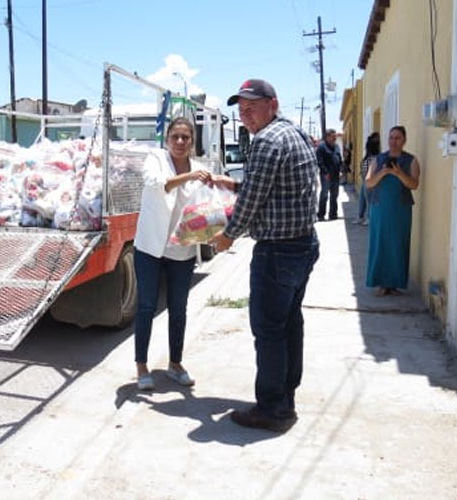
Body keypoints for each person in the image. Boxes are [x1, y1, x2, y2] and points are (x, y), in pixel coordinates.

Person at [210, 79, 320, 433]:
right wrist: (235, 184)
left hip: (277, 251)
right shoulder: (293, 133)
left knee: (269, 330)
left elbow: (253, 201)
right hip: (303, 245)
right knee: (289, 324)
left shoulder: (267, 140)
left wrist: (227, 235)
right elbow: (277, 185)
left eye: (252, 108)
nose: (245, 116)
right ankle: (286, 394)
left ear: (273, 104)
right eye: (241, 110)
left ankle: (273, 410)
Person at [133, 117, 212, 391]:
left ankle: (175, 364)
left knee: (179, 309)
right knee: (146, 306)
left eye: (185, 138)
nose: (180, 142)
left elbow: (208, 206)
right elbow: (156, 184)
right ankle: (142, 367)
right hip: (150, 248)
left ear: (192, 142)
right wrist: (188, 177)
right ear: (167, 139)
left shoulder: (201, 169)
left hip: (182, 250)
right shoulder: (155, 158)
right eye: (175, 137)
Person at [365, 125, 421, 296]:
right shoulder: (378, 159)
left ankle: (395, 284)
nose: (393, 141)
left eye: (397, 138)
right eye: (391, 138)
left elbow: (414, 185)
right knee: (380, 244)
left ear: (404, 140)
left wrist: (398, 173)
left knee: (398, 245)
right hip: (380, 208)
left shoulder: (411, 160)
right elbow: (369, 183)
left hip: (400, 209)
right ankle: (381, 283)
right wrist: (383, 172)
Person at [315, 128, 343, 220]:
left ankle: (333, 214)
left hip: (336, 175)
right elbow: (319, 161)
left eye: (335, 136)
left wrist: (341, 170)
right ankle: (321, 215)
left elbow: (339, 159)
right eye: (333, 136)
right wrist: (325, 172)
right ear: (327, 137)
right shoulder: (321, 147)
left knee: (334, 195)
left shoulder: (337, 146)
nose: (335, 138)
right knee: (324, 195)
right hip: (326, 176)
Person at [354, 132, 381, 225]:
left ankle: (369, 218)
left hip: (369, 180)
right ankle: (360, 216)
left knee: (369, 199)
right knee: (363, 198)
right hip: (364, 179)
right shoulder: (370, 157)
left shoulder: (375, 157)